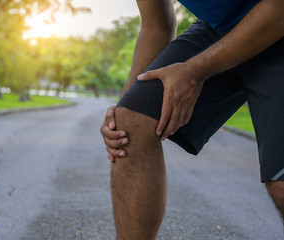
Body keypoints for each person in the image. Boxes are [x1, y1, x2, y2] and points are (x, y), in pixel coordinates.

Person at [100, 0, 284, 239]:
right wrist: (122, 105)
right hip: (219, 28)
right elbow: (156, 26)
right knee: (130, 125)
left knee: (281, 184)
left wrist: (195, 70)